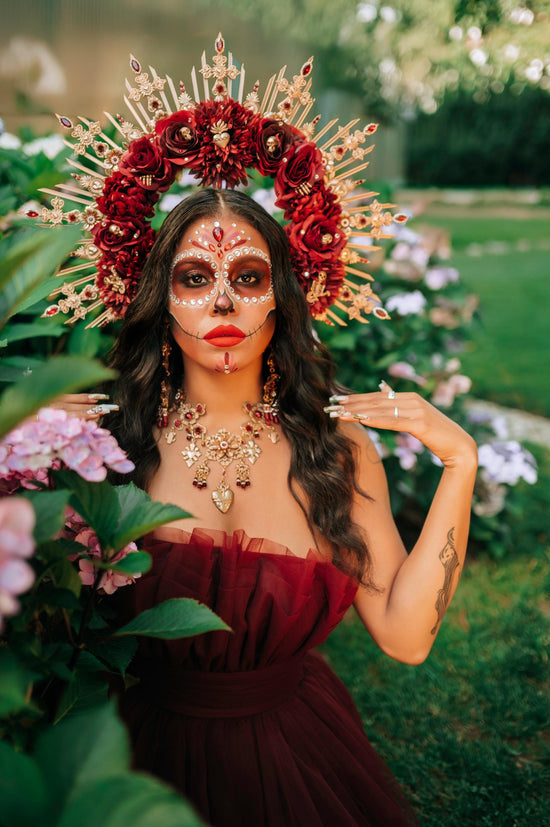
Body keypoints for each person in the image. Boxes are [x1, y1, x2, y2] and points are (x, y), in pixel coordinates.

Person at [40, 38, 477, 827]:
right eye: (194, 278)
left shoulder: (334, 448)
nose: (222, 305)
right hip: (138, 758)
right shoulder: (105, 448)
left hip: (298, 752)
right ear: (158, 299)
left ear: (284, 294)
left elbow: (408, 639)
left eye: (248, 277)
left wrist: (461, 464)